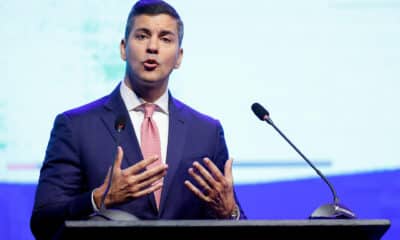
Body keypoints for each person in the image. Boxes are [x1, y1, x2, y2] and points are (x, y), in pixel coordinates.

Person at [30, 0, 246, 239]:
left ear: (179, 57)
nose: (152, 47)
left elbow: (238, 226)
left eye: (166, 39)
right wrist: (98, 199)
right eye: (142, 36)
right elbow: (43, 222)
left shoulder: (206, 132)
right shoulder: (76, 126)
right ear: (123, 48)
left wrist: (230, 212)